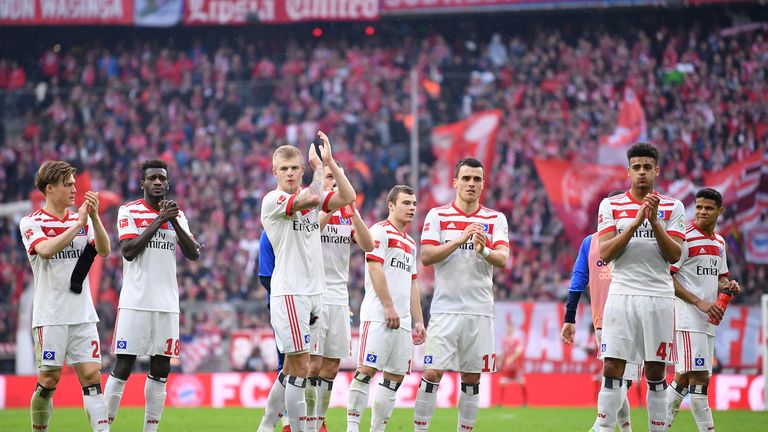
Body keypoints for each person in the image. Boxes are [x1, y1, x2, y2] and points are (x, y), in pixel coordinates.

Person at [258, 131, 356, 432]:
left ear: (301, 170)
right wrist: (317, 169)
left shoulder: (312, 194)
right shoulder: (273, 200)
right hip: (290, 292)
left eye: (294, 168)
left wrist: (330, 162)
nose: (289, 173)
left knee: (290, 369)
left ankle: (265, 427)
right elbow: (312, 197)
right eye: (283, 169)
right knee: (301, 368)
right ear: (275, 172)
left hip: (316, 293)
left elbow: (349, 197)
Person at [413, 158, 510, 431]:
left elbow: (502, 258)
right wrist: (459, 240)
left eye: (476, 179)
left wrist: (483, 250)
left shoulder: (495, 218)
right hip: (445, 310)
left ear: (483, 184)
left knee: (471, 378)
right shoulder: (438, 215)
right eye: (466, 178)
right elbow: (427, 256)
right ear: (454, 181)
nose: (471, 183)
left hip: (479, 310)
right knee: (431, 373)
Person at [594, 143, 686, 432]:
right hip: (621, 294)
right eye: (637, 167)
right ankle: (605, 428)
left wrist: (655, 221)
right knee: (612, 366)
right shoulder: (610, 205)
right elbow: (605, 253)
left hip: (658, 295)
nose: (642, 172)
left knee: (656, 370)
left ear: (657, 170)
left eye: (647, 167)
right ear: (629, 171)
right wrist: (634, 224)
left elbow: (674, 256)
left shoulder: (674, 207)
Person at [104, 159, 200, 431]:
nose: (157, 182)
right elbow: (129, 251)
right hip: (136, 302)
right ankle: (104, 428)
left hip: (167, 305)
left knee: (161, 370)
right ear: (142, 182)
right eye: (152, 178)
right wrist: (159, 219)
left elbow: (194, 254)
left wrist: (174, 222)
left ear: (167, 183)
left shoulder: (177, 215)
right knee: (123, 366)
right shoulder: (129, 211)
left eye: (162, 178)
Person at [20, 160, 111, 431]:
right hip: (50, 316)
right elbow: (45, 250)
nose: (75, 188)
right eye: (68, 184)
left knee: (92, 376)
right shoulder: (31, 222)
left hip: (82, 314)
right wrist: (78, 225)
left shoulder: (81, 219)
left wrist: (93, 218)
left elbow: (104, 250)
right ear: (50, 188)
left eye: (74, 183)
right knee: (49, 380)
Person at [346, 185, 425, 432]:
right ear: (391, 205)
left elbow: (413, 282)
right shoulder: (379, 231)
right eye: (406, 203)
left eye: (413, 203)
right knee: (367, 370)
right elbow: (374, 268)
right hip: (379, 315)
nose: (412, 207)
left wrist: (419, 320)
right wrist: (389, 306)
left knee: (395, 377)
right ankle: (352, 428)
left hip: (402, 321)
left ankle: (377, 429)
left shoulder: (411, 243)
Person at [304, 166, 374, 432]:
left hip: (339, 295)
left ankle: (319, 421)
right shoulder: (310, 206)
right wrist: (333, 206)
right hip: (314, 293)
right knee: (313, 364)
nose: (334, 182)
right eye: (330, 177)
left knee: (331, 367)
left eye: (338, 178)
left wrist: (352, 210)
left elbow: (368, 245)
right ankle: (306, 422)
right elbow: (310, 233)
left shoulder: (347, 214)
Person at [561, 190, 637, 432]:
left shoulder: (637, 240)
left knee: (620, 380)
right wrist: (569, 318)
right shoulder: (590, 242)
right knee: (619, 379)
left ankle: (608, 428)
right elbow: (578, 280)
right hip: (604, 320)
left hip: (633, 316)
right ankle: (607, 428)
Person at [665, 188, 741, 431]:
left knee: (684, 379)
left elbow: (720, 277)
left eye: (708, 208)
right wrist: (698, 302)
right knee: (700, 380)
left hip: (708, 321)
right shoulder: (684, 238)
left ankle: (658, 426)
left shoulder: (719, 243)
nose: (702, 212)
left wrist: (728, 285)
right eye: (698, 207)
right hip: (688, 318)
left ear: (720, 211)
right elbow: (668, 279)